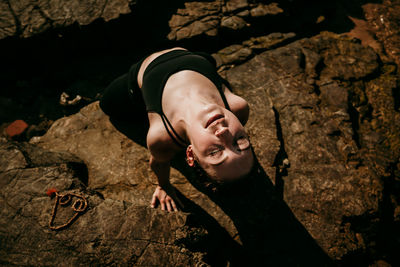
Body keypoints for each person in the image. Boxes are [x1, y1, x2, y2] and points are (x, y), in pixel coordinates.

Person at [100, 47, 254, 212]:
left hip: (144, 72)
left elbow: (158, 163)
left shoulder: (162, 135)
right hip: (195, 55)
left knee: (106, 105)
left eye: (215, 152)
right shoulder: (238, 107)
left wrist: (163, 185)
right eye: (239, 141)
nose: (224, 133)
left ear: (190, 153)